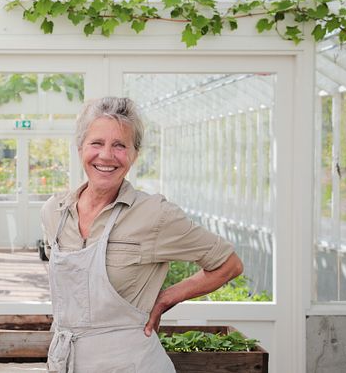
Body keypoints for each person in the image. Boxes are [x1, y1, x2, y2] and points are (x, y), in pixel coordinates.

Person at [41, 97, 243, 373]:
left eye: (120, 145)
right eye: (97, 143)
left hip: (131, 364)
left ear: (134, 154)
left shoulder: (154, 214)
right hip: (66, 362)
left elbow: (228, 264)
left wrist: (166, 298)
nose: (106, 155)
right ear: (80, 148)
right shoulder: (55, 212)